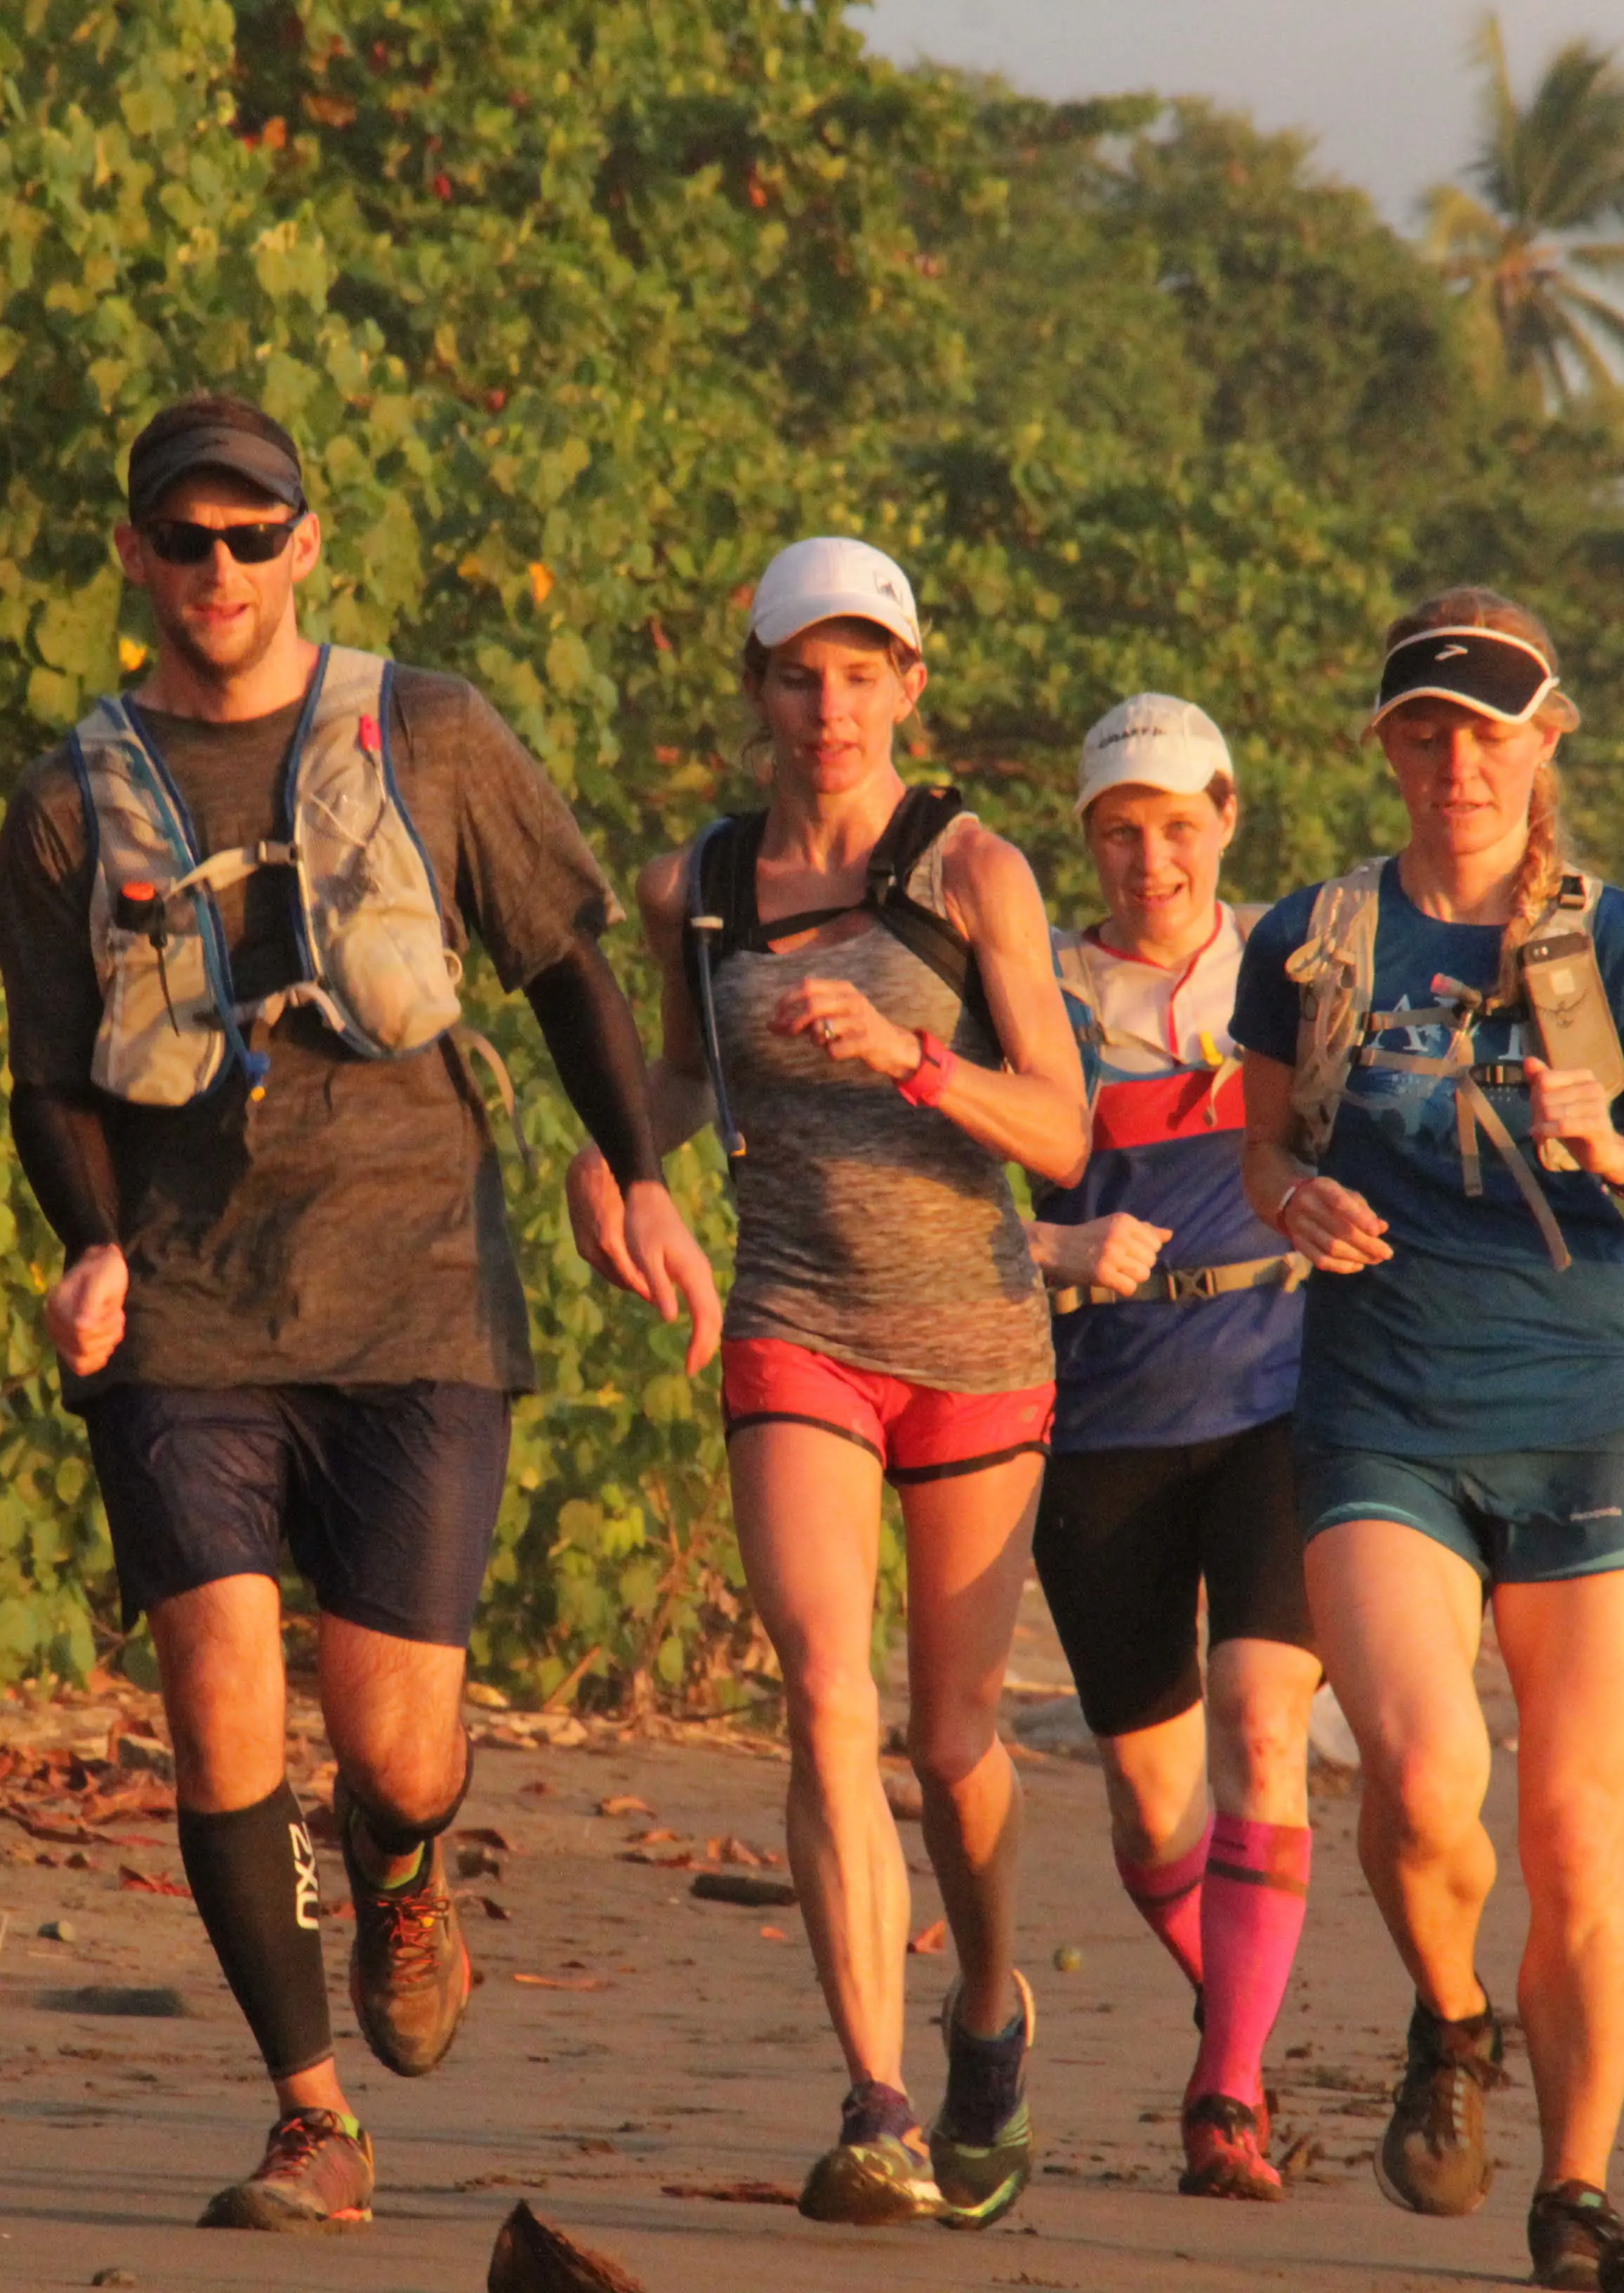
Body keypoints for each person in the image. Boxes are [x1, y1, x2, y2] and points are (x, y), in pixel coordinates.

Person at [0, 395, 718, 2233]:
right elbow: (46, 1075)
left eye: (253, 537)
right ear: (136, 558)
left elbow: (563, 967)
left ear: (307, 545)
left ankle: (402, 1871)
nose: (217, 570)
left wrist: (636, 1176)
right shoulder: (71, 801)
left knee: (391, 1741)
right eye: (185, 539)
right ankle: (312, 2118)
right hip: (187, 1318)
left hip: (415, 1299)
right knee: (221, 1701)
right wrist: (88, 1242)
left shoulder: (432, 731)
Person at [1230, 587, 1624, 2287]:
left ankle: (1574, 2186)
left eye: (1487, 727)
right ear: (1384, 746)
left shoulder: (1615, 945)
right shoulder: (1311, 941)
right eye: (1423, 727)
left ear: (1543, 743)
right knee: (1415, 1774)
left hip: (1582, 1424)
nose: (1454, 759)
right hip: (1379, 1412)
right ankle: (1452, 2018)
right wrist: (1294, 1198)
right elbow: (1256, 1151)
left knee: (1570, 1832)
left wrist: (1612, 1152)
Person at [569, 536, 1087, 2228]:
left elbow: (1065, 1133)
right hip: (796, 1319)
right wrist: (611, 1176)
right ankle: (874, 2096)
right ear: (758, 691)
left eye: (863, 673)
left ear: (907, 688)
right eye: (799, 673)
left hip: (975, 1345)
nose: (829, 705)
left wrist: (910, 1056)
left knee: (951, 1743)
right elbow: (662, 1084)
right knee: (817, 1690)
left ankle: (986, 2010)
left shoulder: (970, 875)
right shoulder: (693, 888)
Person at [1019, 694, 1319, 2201]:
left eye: (1177, 830)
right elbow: (941, 1215)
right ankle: (1241, 2013)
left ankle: (1225, 2092)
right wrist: (1056, 1245)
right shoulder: (1034, 995)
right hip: (1102, 1425)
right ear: (1087, 841)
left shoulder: (1301, 964)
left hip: (1280, 1395)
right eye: (1121, 835)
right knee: (1149, 1803)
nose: (1151, 862)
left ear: (1226, 818)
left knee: (1264, 1725)